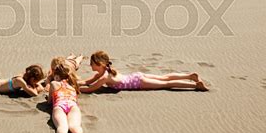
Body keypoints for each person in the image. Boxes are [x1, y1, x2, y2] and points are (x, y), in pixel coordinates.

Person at [79, 51, 209, 93]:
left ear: (99, 64)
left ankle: (194, 85)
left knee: (165, 84)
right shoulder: (104, 73)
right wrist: (75, 83)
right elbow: (87, 82)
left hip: (139, 83)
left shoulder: (104, 77)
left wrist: (77, 90)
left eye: (92, 64)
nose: (90, 66)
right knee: (164, 78)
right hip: (137, 76)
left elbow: (90, 89)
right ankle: (190, 76)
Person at [48, 58, 88, 133]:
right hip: (72, 105)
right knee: (75, 126)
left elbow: (49, 101)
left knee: (62, 126)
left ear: (56, 76)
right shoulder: (72, 86)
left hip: (60, 105)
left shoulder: (54, 84)